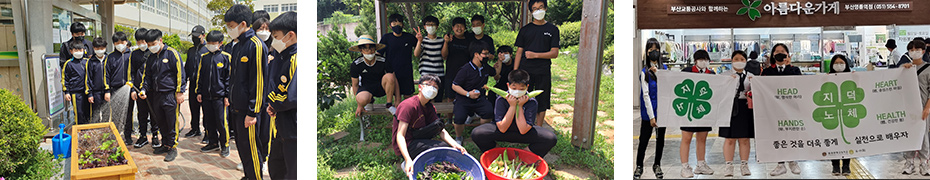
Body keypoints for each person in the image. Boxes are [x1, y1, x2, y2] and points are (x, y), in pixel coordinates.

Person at [224, 5, 269, 179]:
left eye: (231, 25)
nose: (229, 29)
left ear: (243, 24)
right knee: (243, 147)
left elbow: (258, 83)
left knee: (251, 149)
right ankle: (249, 175)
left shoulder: (255, 46)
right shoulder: (237, 46)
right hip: (237, 107)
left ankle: (256, 177)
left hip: (248, 111)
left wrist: (252, 112)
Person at [392, 74, 468, 177]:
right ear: (420, 87)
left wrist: (455, 145)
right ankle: (408, 162)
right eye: (428, 84)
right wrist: (407, 158)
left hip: (418, 137)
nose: (432, 88)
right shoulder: (408, 106)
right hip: (407, 143)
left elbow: (441, 130)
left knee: (444, 147)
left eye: (435, 87)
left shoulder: (429, 107)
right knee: (441, 149)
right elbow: (400, 135)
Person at [470, 69, 557, 157]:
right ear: (508, 86)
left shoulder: (531, 102)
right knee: (477, 133)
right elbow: (502, 128)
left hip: (523, 132)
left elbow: (523, 130)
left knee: (550, 138)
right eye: (514, 88)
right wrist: (512, 106)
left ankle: (524, 154)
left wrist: (519, 106)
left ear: (527, 87)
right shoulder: (501, 99)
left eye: (522, 88)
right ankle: (498, 153)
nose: (517, 91)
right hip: (504, 131)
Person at [137, 29, 185, 162]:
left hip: (170, 94)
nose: (151, 47)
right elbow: (147, 76)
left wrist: (180, 92)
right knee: (160, 121)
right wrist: (143, 89)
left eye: (153, 43)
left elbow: (180, 73)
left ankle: (172, 147)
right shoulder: (151, 57)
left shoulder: (172, 54)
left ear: (160, 40)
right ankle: (165, 144)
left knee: (171, 122)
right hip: (156, 95)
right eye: (149, 44)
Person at [514, 0, 560, 125]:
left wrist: (536, 55)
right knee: (522, 98)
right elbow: (519, 52)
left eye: (540, 7)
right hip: (525, 71)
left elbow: (554, 53)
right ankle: (522, 125)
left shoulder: (553, 29)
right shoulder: (525, 30)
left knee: (542, 100)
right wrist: (515, 72)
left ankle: (538, 128)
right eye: (534, 9)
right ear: (531, 12)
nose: (538, 11)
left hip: (543, 70)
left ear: (545, 8)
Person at [761, 43, 803, 176]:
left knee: (792, 133)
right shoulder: (767, 71)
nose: (780, 53)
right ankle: (780, 164)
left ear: (787, 54)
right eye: (777, 51)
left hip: (792, 107)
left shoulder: (794, 70)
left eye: (783, 51)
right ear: (773, 55)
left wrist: (788, 66)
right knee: (777, 134)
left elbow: (799, 84)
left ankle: (792, 161)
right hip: (774, 109)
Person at [264, 11, 297, 179]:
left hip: (293, 128)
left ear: (290, 35)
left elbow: (292, 96)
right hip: (281, 125)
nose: (273, 41)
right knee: (276, 166)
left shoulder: (296, 58)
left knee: (292, 171)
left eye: (275, 36)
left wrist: (273, 103)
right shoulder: (281, 55)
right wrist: (273, 104)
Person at [451, 41, 496, 145]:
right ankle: (458, 137)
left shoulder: (485, 67)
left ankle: (480, 133)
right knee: (459, 118)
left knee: (489, 111)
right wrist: (468, 94)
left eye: (488, 53)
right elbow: (454, 85)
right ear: (476, 54)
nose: (487, 56)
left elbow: (495, 73)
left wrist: (500, 63)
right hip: (463, 99)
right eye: (484, 54)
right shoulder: (465, 69)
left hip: (480, 99)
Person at [195, 30, 232, 158]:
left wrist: (227, 96)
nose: (210, 45)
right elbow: (200, 76)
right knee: (208, 121)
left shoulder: (226, 57)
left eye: (213, 43)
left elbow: (229, 79)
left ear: (220, 43)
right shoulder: (204, 57)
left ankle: (225, 144)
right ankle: (213, 142)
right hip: (206, 96)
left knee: (222, 122)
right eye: (208, 42)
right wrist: (199, 91)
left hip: (220, 97)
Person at [679, 50, 715, 178]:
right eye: (701, 59)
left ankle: (701, 164)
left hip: (703, 111)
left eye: (706, 59)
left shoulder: (711, 73)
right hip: (689, 110)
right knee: (686, 138)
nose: (703, 61)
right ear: (695, 60)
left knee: (702, 138)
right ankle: (685, 166)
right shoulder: (686, 72)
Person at [635, 38, 666, 179]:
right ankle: (639, 166)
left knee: (661, 140)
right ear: (647, 52)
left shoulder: (664, 69)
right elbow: (645, 95)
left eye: (657, 49)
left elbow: (668, 87)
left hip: (663, 112)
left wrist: (658, 73)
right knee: (644, 140)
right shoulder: (644, 72)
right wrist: (652, 116)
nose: (654, 52)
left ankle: (657, 164)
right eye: (651, 49)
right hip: (649, 113)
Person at [719, 50, 754, 177]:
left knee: (745, 138)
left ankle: (744, 164)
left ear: (746, 61)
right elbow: (718, 91)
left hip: (745, 108)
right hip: (729, 108)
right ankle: (729, 165)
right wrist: (728, 83)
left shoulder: (751, 76)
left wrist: (753, 85)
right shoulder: (725, 75)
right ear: (731, 60)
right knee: (729, 139)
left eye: (742, 59)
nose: (739, 62)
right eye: (736, 59)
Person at [899, 39, 930, 176]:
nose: (914, 52)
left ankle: (924, 163)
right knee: (909, 135)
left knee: (923, 136)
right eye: (911, 50)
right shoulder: (905, 69)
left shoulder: (929, 68)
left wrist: (927, 108)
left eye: (917, 50)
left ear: (923, 51)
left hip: (923, 107)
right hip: (908, 108)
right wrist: (902, 70)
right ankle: (909, 162)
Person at [350, 35, 398, 117]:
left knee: (389, 76)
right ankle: (369, 101)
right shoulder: (356, 64)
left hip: (381, 86)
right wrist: (359, 105)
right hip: (366, 88)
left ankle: (389, 104)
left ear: (375, 49)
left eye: (371, 48)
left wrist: (397, 99)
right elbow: (355, 84)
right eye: (366, 49)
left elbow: (394, 79)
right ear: (361, 50)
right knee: (362, 99)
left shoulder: (383, 60)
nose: (369, 51)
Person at [129, 28, 161, 149]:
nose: (141, 44)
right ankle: (142, 136)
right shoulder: (134, 54)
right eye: (138, 41)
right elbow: (131, 72)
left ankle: (155, 136)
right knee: (141, 114)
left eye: (143, 41)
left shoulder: (153, 52)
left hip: (153, 90)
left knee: (154, 113)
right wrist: (133, 89)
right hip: (138, 90)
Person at [379, 13, 418, 106]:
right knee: (397, 99)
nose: (397, 25)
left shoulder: (409, 37)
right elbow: (378, 54)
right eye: (394, 23)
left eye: (399, 22)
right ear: (390, 25)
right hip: (392, 73)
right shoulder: (386, 38)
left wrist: (419, 40)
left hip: (407, 72)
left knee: (408, 98)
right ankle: (397, 119)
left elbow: (418, 51)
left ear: (403, 24)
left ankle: (410, 119)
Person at [826, 54, 852, 176]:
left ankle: (846, 166)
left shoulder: (852, 77)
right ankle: (835, 166)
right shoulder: (827, 78)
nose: (839, 65)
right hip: (832, 114)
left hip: (848, 114)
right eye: (836, 63)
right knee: (834, 140)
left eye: (841, 63)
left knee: (848, 140)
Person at [107, 31, 133, 146]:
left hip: (128, 89)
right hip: (115, 89)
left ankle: (128, 136)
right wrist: (107, 90)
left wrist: (132, 87)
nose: (120, 44)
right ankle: (116, 135)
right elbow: (106, 74)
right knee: (116, 114)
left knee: (129, 114)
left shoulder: (131, 55)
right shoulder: (111, 57)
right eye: (117, 42)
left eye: (122, 42)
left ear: (126, 42)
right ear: (113, 44)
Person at [184, 25, 209, 141]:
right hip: (193, 83)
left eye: (196, 36)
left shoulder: (207, 50)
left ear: (203, 36)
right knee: (193, 108)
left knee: (206, 109)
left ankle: (208, 132)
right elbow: (187, 67)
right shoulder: (191, 50)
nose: (194, 39)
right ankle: (195, 129)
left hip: (204, 85)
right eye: (193, 36)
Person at [413, 15, 445, 102]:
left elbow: (444, 56)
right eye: (428, 24)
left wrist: (446, 42)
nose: (431, 27)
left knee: (438, 99)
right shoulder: (422, 40)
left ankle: (437, 116)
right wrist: (419, 41)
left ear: (437, 26)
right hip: (426, 75)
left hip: (439, 74)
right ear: (425, 27)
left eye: (433, 24)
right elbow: (416, 54)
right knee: (425, 100)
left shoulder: (442, 40)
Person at [442, 17, 472, 107]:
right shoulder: (449, 40)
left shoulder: (469, 41)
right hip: (451, 73)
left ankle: (463, 118)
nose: (459, 28)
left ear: (465, 28)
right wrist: (446, 43)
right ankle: (449, 119)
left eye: (461, 26)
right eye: (457, 26)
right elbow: (444, 56)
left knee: (465, 96)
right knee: (450, 98)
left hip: (465, 74)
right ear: (453, 28)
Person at [61, 40, 89, 124]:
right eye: (76, 50)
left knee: (87, 112)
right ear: (71, 51)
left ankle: (88, 130)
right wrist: (66, 92)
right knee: (79, 113)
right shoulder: (68, 64)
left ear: (84, 50)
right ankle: (79, 131)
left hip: (87, 92)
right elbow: (65, 78)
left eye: (80, 50)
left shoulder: (87, 62)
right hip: (75, 93)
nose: (78, 52)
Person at [87, 37, 110, 123]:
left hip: (107, 92)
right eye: (97, 48)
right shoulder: (90, 61)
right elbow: (88, 78)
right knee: (95, 113)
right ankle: (96, 131)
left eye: (102, 48)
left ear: (105, 48)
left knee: (106, 113)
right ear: (93, 48)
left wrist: (109, 90)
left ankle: (105, 132)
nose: (100, 50)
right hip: (95, 92)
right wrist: (90, 94)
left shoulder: (109, 59)